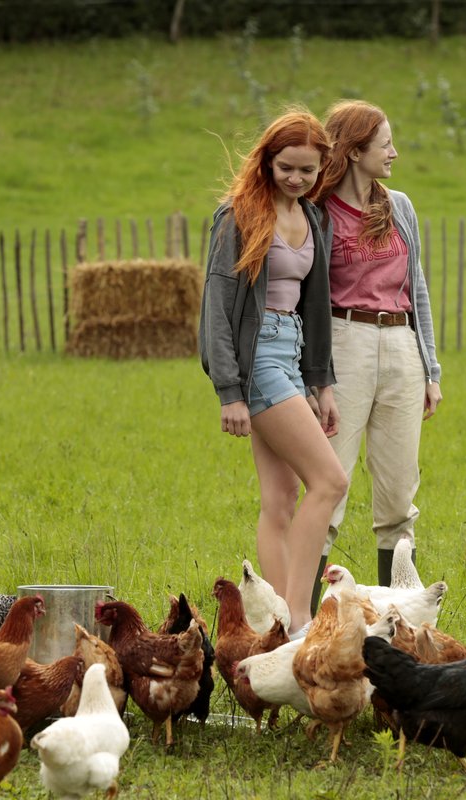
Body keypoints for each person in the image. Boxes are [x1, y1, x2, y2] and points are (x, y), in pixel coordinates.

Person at [199, 109, 348, 638]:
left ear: (321, 168)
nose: (296, 179)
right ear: (266, 160)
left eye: (308, 170)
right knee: (330, 481)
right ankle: (302, 617)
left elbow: (315, 307)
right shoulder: (238, 216)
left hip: (291, 352)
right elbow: (217, 308)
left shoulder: (314, 218)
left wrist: (321, 384)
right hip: (257, 358)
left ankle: (278, 627)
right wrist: (230, 392)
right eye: (287, 167)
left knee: (281, 500)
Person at [309, 99, 442, 609]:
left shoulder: (400, 207)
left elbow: (417, 288)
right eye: (385, 143)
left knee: (398, 496)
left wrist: (430, 369)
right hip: (346, 344)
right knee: (330, 486)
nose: (394, 152)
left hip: (402, 345)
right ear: (354, 151)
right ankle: (304, 616)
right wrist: (316, 376)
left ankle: (399, 613)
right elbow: (309, 300)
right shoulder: (319, 214)